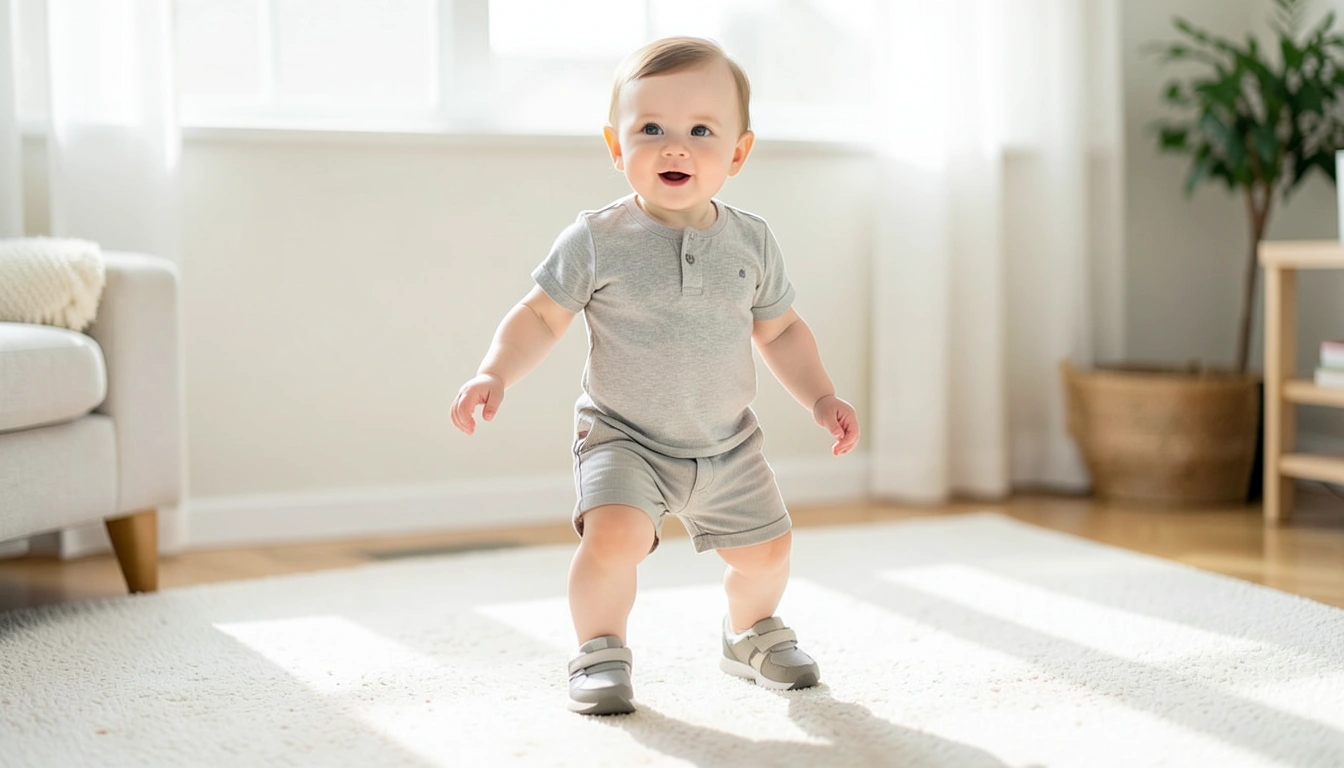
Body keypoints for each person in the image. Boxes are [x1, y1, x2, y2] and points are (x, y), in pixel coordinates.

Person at [450, 36, 859, 716]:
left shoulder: (751, 241)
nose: (676, 147)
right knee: (614, 538)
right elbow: (542, 317)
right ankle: (601, 648)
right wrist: (494, 372)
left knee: (768, 551)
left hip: (727, 443)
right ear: (616, 146)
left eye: (701, 130)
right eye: (651, 130)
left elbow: (780, 330)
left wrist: (820, 395)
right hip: (622, 437)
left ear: (737, 152)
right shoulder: (596, 239)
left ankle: (749, 631)